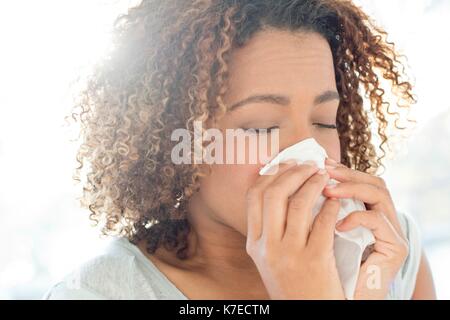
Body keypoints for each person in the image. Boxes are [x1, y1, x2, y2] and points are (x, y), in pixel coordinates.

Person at [44, 0, 436, 300]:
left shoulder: (391, 250)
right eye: (261, 127)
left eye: (324, 121)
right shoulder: (99, 293)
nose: (310, 156)